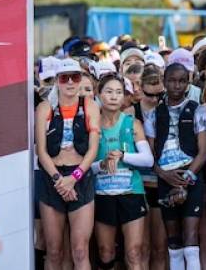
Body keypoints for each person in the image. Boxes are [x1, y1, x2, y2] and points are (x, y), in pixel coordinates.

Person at [34, 58, 101, 270]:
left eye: (75, 77)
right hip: (52, 178)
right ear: (57, 80)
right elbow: (41, 151)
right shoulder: (45, 108)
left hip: (79, 176)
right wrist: (59, 180)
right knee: (54, 250)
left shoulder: (90, 106)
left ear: (80, 79)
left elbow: (93, 149)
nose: (70, 82)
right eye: (65, 78)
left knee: (80, 250)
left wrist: (73, 178)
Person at [146, 63, 206, 270]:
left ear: (188, 83)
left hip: (191, 177)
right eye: (172, 81)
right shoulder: (154, 114)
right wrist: (164, 175)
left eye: (182, 81)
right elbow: (150, 154)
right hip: (166, 178)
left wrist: (186, 179)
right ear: (164, 82)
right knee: (173, 241)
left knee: (191, 238)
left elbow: (203, 152)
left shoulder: (198, 110)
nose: (177, 85)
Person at [93, 76, 154, 270]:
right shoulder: (92, 125)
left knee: (134, 252)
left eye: (119, 92)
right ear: (98, 94)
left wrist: (123, 155)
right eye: (109, 92)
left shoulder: (132, 123)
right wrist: (102, 164)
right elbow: (84, 166)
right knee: (105, 252)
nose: (114, 97)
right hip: (102, 193)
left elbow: (148, 160)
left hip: (131, 193)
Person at [134, 66, 170, 270]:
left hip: (161, 184)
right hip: (138, 185)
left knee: (160, 247)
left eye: (160, 94)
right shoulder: (131, 112)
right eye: (150, 95)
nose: (156, 100)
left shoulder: (169, 109)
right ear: (140, 89)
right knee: (140, 248)